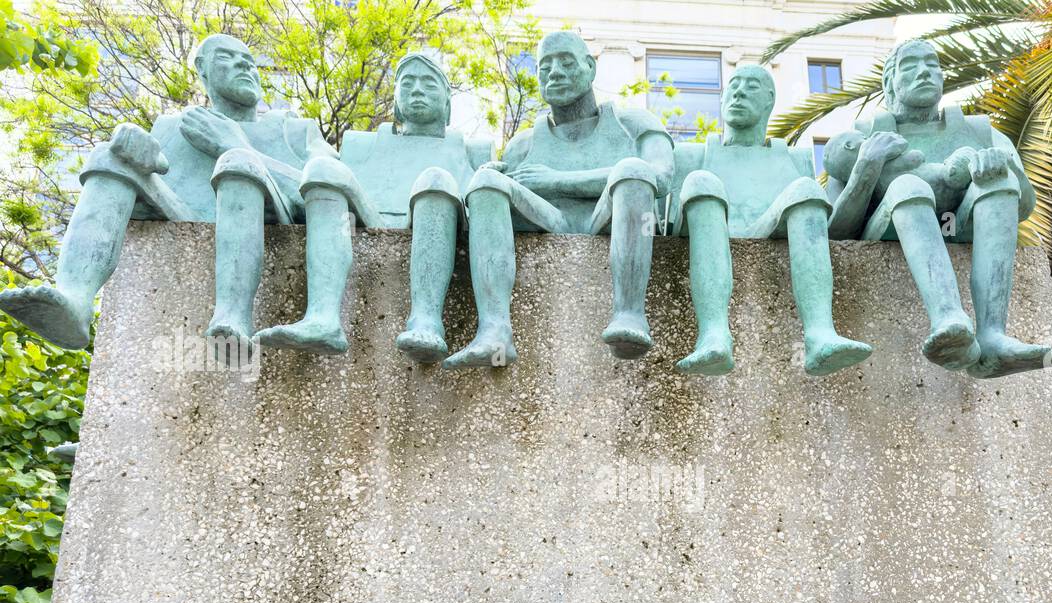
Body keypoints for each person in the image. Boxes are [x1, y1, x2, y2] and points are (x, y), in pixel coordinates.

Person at [0, 34, 334, 351]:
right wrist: (136, 151)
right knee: (107, 154)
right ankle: (75, 300)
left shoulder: (294, 128)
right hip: (187, 215)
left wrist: (233, 145)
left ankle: (233, 318)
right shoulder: (174, 125)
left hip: (270, 210)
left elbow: (330, 193)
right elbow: (152, 190)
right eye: (227, 57)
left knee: (237, 159)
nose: (244, 65)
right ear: (201, 68)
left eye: (249, 60)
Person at [443, 31, 673, 368]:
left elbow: (662, 176)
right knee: (486, 181)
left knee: (633, 171)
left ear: (590, 68)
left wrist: (557, 180)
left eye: (566, 62)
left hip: (615, 217)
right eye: (545, 66)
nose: (555, 73)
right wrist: (496, 174)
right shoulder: (524, 143)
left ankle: (630, 316)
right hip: (551, 218)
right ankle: (495, 331)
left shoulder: (632, 124)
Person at [823, 39, 1049, 378]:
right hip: (893, 223)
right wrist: (867, 167)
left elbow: (1024, 205)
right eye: (911, 65)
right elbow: (837, 230)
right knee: (908, 185)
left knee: (1000, 184)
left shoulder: (978, 131)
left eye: (932, 64)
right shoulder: (862, 137)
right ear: (890, 83)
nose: (924, 71)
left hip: (960, 224)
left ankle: (992, 336)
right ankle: (949, 320)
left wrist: (1005, 166)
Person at [255, 51, 493, 361]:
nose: (417, 90)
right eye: (407, 84)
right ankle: (322, 318)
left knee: (435, 179)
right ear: (395, 100)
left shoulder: (470, 150)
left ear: (447, 103)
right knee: (322, 169)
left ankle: (427, 322)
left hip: (436, 217)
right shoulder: (361, 143)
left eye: (429, 84)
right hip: (370, 215)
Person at [670, 65, 873, 377]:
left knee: (806, 187)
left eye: (751, 86)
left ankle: (820, 335)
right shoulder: (690, 155)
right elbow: (670, 222)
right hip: (706, 224)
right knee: (701, 180)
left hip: (767, 226)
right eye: (733, 86)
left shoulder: (796, 158)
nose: (738, 92)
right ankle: (713, 335)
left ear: (769, 101)